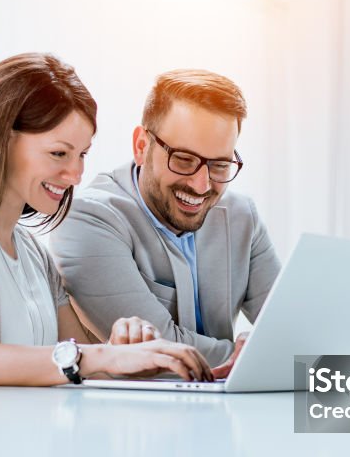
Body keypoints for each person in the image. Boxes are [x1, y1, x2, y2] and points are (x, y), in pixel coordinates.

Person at [0, 53, 213, 387]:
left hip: (6, 443)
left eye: (82, 155)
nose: (75, 174)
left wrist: (126, 352)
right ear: (0, 139)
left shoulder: (33, 254)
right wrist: (99, 356)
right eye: (59, 153)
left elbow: (80, 367)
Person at [50, 69, 281, 372]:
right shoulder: (84, 220)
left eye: (220, 165)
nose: (201, 185)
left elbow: (289, 328)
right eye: (184, 160)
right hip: (134, 415)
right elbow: (160, 354)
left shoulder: (241, 216)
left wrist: (274, 347)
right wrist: (264, 354)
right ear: (141, 147)